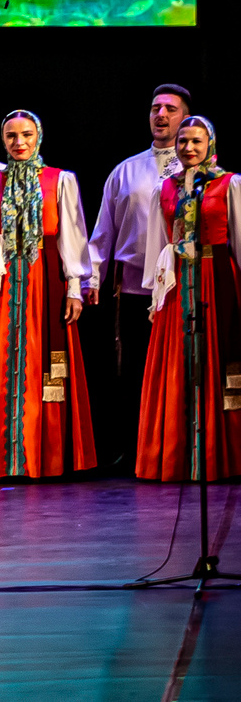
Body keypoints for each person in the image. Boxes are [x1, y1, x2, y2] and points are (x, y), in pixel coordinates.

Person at [0, 111, 95, 479]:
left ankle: (47, 454)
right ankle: (3, 458)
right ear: (1, 140)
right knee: (2, 363)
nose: (19, 142)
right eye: (11, 136)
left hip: (45, 278)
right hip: (2, 282)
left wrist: (74, 286)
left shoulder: (59, 180)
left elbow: (72, 236)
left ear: (39, 137)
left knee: (48, 360)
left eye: (27, 135)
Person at [89, 84, 193, 471]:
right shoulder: (126, 170)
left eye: (170, 108)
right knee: (133, 369)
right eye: (155, 108)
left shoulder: (203, 173)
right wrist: (90, 278)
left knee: (185, 366)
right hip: (136, 287)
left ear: (186, 116)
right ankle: (140, 451)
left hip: (188, 286)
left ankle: (186, 447)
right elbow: (104, 232)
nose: (161, 115)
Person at [135, 116, 239, 481]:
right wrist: (155, 294)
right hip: (178, 283)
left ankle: (220, 456)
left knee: (218, 361)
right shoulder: (165, 188)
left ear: (210, 143)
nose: (189, 148)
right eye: (183, 142)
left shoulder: (229, 185)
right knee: (178, 364)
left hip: (216, 277)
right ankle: (178, 456)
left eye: (196, 141)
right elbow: (156, 244)